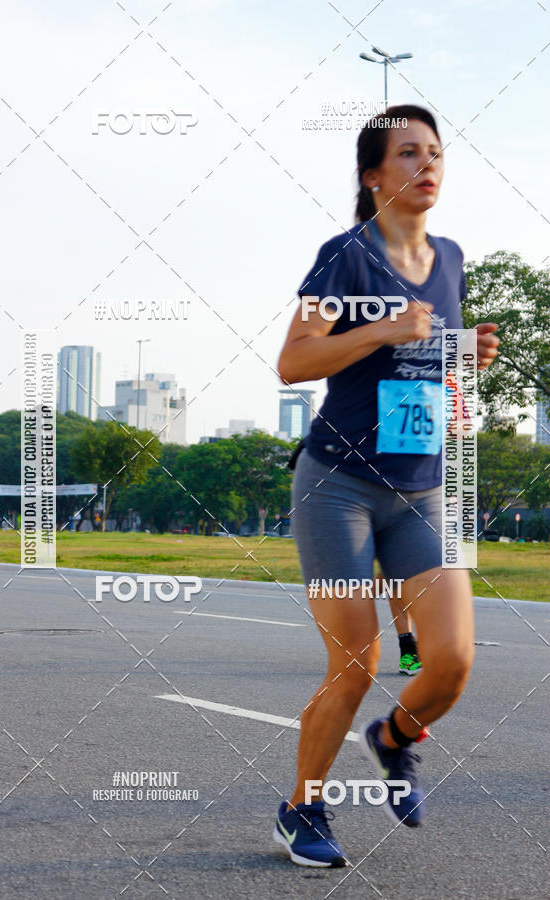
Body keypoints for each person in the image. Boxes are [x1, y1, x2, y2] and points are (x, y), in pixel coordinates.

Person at [272, 104, 500, 867]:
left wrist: (464, 353)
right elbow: (295, 362)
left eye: (434, 153)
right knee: (357, 664)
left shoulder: (452, 256)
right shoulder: (345, 257)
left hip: (422, 490)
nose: (426, 165)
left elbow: (427, 356)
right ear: (374, 177)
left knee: (453, 661)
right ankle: (302, 808)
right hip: (338, 486)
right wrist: (382, 329)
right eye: (407, 154)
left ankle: (393, 739)